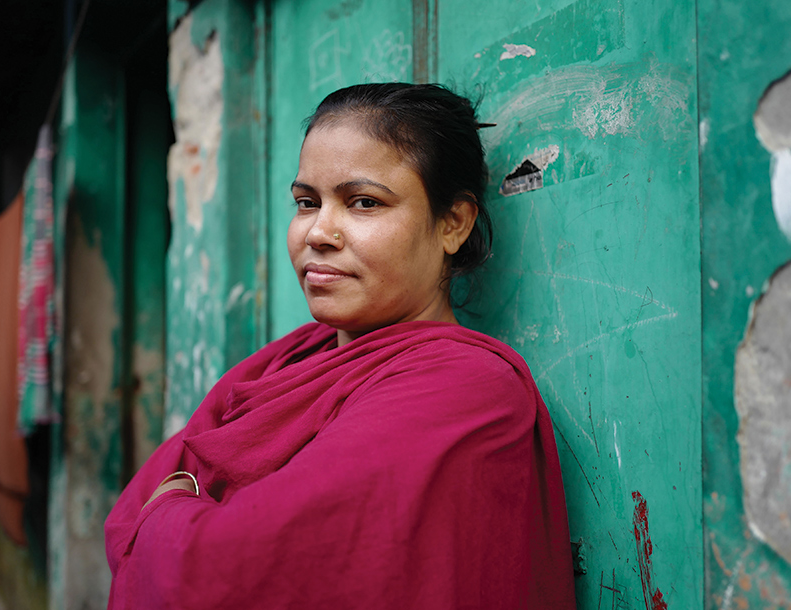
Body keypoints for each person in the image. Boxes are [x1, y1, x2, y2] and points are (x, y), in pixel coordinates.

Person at [105, 83, 576, 609]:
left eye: (364, 202)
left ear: (453, 223)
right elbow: (128, 513)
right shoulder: (292, 360)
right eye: (306, 202)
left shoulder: (464, 389)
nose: (318, 232)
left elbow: (230, 563)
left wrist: (168, 509)